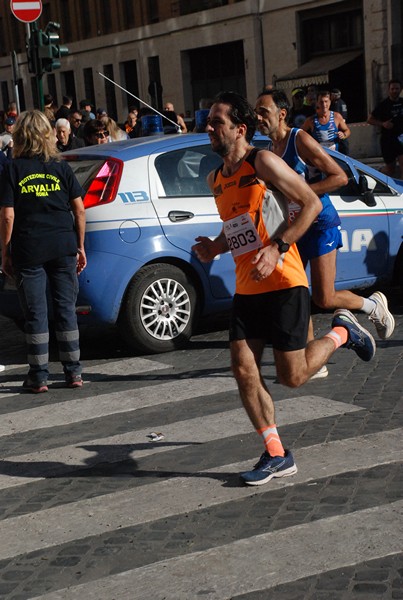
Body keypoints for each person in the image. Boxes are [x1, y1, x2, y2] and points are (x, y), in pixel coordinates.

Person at [192, 91, 376, 486]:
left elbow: (309, 202)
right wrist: (215, 245)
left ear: (239, 129)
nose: (208, 128)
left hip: (285, 282)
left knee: (292, 377)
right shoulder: (216, 179)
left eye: (216, 122)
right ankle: (276, 453)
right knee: (243, 370)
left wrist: (277, 247)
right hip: (247, 288)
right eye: (208, 121)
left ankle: (343, 332)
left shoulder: (264, 162)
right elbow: (237, 226)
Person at [254, 89, 395, 365]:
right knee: (297, 289)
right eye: (256, 112)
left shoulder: (300, 139)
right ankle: (310, 359)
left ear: (281, 114)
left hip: (320, 222)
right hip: (296, 226)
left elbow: (339, 176)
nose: (258, 117)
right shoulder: (270, 149)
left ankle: (373, 306)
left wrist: (304, 193)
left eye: (264, 112)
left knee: (324, 296)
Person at [0, 110, 86, 393]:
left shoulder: (13, 169)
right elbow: (79, 209)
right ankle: (73, 372)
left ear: (21, 136)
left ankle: (38, 376)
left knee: (36, 312)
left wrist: (5, 252)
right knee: (65, 309)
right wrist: (80, 246)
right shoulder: (61, 167)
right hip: (62, 245)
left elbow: (8, 216)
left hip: (29, 247)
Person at [367, 79, 403, 178]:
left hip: (401, 138)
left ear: (400, 90)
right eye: (392, 89)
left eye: (397, 89)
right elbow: (370, 120)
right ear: (389, 90)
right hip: (388, 140)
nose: (395, 91)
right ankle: (377, 174)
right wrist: (383, 124)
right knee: (391, 170)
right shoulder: (383, 105)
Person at [330, 88, 349, 155]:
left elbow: (343, 118)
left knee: (343, 146)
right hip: (332, 129)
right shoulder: (330, 104)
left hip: (340, 128)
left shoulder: (341, 103)